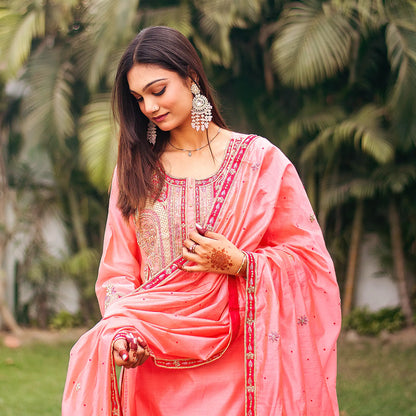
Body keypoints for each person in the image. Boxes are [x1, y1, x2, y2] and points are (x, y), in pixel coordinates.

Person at [62, 26, 341, 416]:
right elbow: (118, 271)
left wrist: (242, 263)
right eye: (138, 98)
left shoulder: (258, 161)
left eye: (158, 91)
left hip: (240, 366)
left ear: (191, 77)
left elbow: (308, 260)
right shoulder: (135, 172)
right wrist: (123, 334)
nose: (149, 107)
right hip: (154, 362)